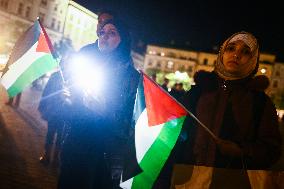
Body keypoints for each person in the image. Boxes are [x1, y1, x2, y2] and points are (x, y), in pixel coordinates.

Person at [175, 31, 282, 188]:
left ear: (253, 60)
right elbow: (176, 133)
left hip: (233, 181)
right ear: (222, 53)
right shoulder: (198, 92)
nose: (236, 55)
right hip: (188, 178)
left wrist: (241, 151)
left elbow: (272, 149)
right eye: (231, 48)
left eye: (245, 52)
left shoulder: (260, 102)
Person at [57, 18, 139, 189]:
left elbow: (131, 120)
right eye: (102, 32)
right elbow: (73, 97)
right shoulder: (88, 61)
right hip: (77, 140)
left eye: (112, 33)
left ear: (123, 39)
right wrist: (68, 100)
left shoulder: (130, 76)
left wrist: (105, 112)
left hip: (105, 150)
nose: (104, 36)